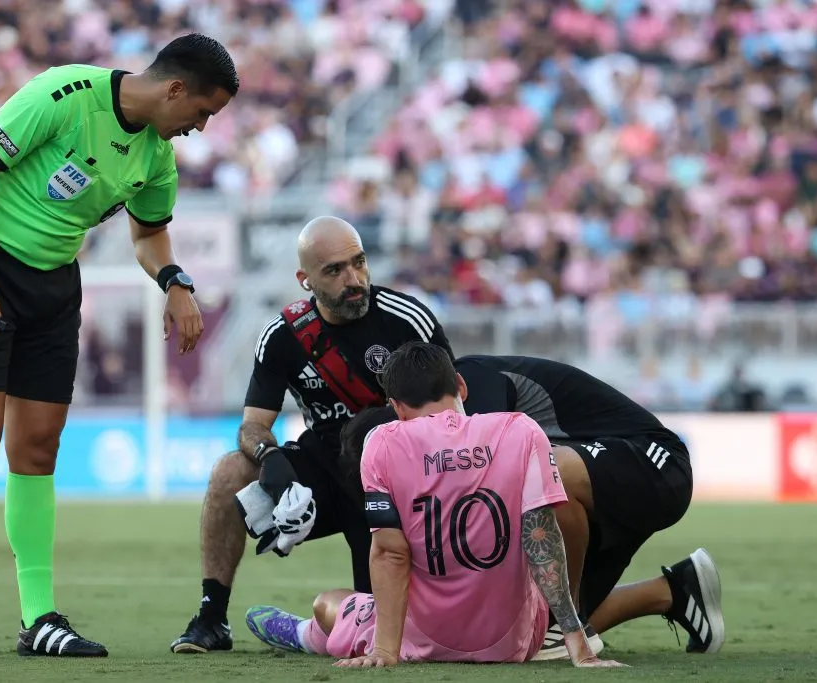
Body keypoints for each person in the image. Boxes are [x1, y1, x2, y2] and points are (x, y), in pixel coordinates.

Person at [0, 34, 239, 660]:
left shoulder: (158, 160)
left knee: (38, 448)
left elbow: (150, 235)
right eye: (202, 112)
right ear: (175, 89)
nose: (200, 128)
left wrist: (175, 282)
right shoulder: (66, 93)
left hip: (54, 285)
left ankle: (38, 618)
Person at [169, 217, 454, 654]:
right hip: (321, 472)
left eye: (359, 263)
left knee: (382, 627)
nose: (354, 279)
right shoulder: (282, 336)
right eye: (335, 270)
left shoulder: (406, 319)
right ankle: (211, 618)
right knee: (230, 471)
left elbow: (454, 414)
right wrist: (272, 462)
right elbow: (252, 426)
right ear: (305, 280)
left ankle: (307, 633)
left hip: (394, 480)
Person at [245, 342, 625, 667]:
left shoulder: (382, 442)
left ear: (395, 406)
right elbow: (541, 536)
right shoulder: (521, 430)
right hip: (515, 640)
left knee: (329, 603)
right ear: (460, 385)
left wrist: (385, 650)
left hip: (422, 637)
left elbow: (390, 554)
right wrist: (577, 644)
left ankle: (306, 634)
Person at [325, 354, 724, 661]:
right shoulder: (446, 400)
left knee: (540, 476)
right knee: (520, 597)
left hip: (654, 462)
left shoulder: (477, 395)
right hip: (614, 478)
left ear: (397, 412)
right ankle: (672, 592)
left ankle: (560, 629)